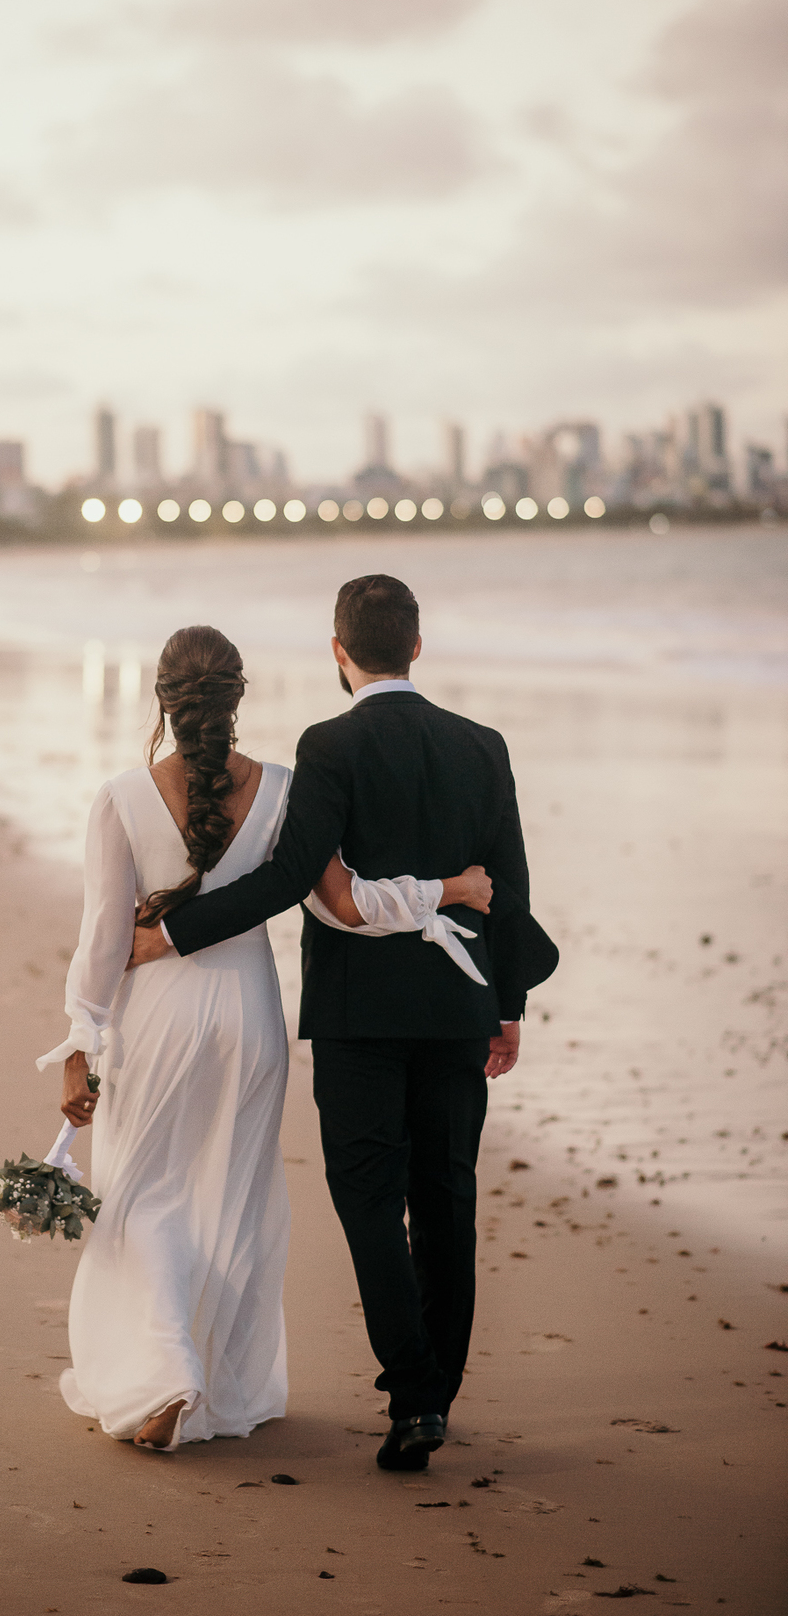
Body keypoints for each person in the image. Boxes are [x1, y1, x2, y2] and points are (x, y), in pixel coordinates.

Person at [128, 576, 556, 1471]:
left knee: (368, 1201)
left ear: (339, 650)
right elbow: (508, 883)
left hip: (361, 1021)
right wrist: (506, 1007)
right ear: (417, 644)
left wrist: (169, 931)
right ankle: (433, 1394)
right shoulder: (483, 745)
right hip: (458, 1007)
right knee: (446, 1198)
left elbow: (290, 879)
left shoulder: (329, 744)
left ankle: (410, 1392)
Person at [37, 623, 492, 1452]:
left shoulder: (120, 798)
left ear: (163, 701)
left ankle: (165, 1370)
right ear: (237, 699)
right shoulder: (285, 790)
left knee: (146, 1196)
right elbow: (346, 905)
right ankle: (209, 1376)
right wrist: (447, 891)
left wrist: (79, 1041)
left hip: (159, 1019)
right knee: (229, 1200)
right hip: (250, 1020)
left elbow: (104, 939)